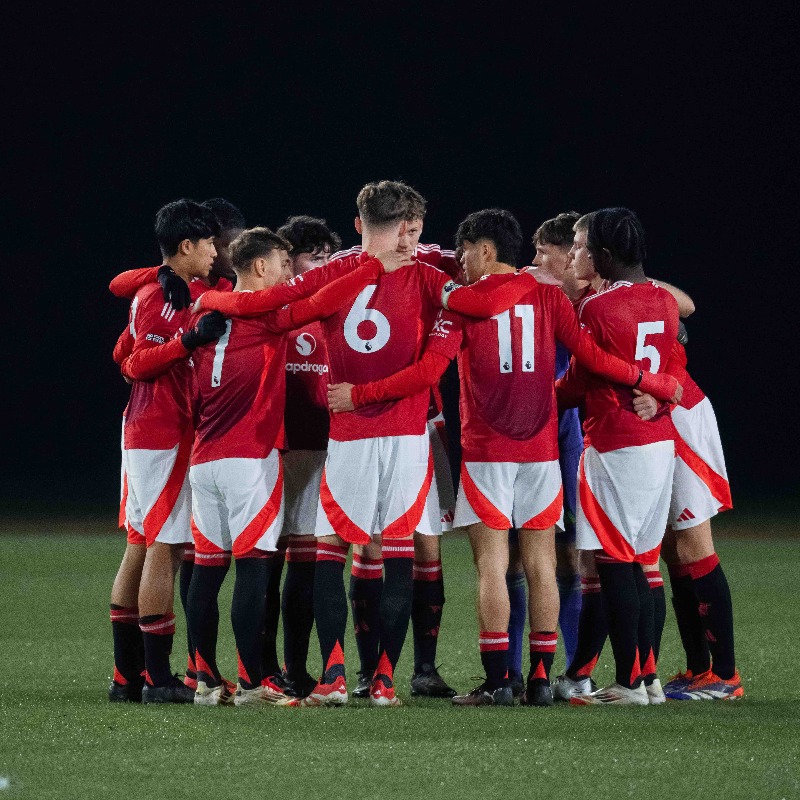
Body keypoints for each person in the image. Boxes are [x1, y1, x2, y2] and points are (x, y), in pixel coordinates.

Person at [197, 181, 556, 706]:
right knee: (399, 554)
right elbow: (475, 306)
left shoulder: (336, 270)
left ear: (361, 223)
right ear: (409, 225)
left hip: (349, 436)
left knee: (329, 552)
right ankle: (386, 677)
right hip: (409, 436)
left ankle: (336, 674)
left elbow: (281, 307)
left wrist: (211, 297)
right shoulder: (432, 277)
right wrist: (531, 282)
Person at [327, 208, 679, 707]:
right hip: (541, 454)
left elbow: (428, 372)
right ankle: (539, 677)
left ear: (485, 249)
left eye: (465, 251)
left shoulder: (464, 305)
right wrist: (657, 383)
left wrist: (359, 396)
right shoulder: (549, 297)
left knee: (493, 568)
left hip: (488, 453)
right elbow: (595, 359)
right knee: (542, 566)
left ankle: (498, 683)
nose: (461, 261)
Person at [186, 226, 406, 705]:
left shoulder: (203, 306)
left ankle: (202, 678)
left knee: (207, 570)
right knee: (253, 571)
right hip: (248, 458)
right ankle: (250, 684)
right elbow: (313, 300)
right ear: (260, 267)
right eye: (282, 264)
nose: (289, 273)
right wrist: (371, 266)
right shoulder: (264, 317)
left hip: (203, 459)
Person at [108, 199, 246, 693]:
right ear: (187, 245)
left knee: (142, 544)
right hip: (163, 431)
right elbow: (137, 361)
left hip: (150, 429)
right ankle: (159, 678)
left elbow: (123, 353)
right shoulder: (161, 295)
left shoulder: (178, 287)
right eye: (210, 242)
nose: (216, 250)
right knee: (163, 548)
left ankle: (127, 675)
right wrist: (187, 342)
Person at [328, 206, 459, 699]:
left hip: (422, 421)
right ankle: (370, 671)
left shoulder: (430, 261)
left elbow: (483, 268)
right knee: (371, 542)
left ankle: (422, 667)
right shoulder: (345, 264)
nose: (408, 237)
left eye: (415, 227)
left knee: (424, 541)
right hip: (365, 423)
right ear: (364, 225)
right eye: (400, 227)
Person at [556, 208, 680, 706]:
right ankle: (647, 680)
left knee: (614, 562)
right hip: (658, 442)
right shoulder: (664, 300)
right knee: (642, 565)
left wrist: (538, 397)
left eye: (582, 245)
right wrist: (662, 391)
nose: (575, 254)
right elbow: (670, 366)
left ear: (603, 254)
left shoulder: (599, 308)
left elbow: (581, 380)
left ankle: (630, 682)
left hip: (615, 442)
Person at [630, 338, 741, 699]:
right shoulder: (604, 294)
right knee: (672, 550)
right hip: (656, 414)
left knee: (695, 545)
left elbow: (685, 308)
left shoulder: (636, 291)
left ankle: (726, 676)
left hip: (677, 412)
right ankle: (699, 669)